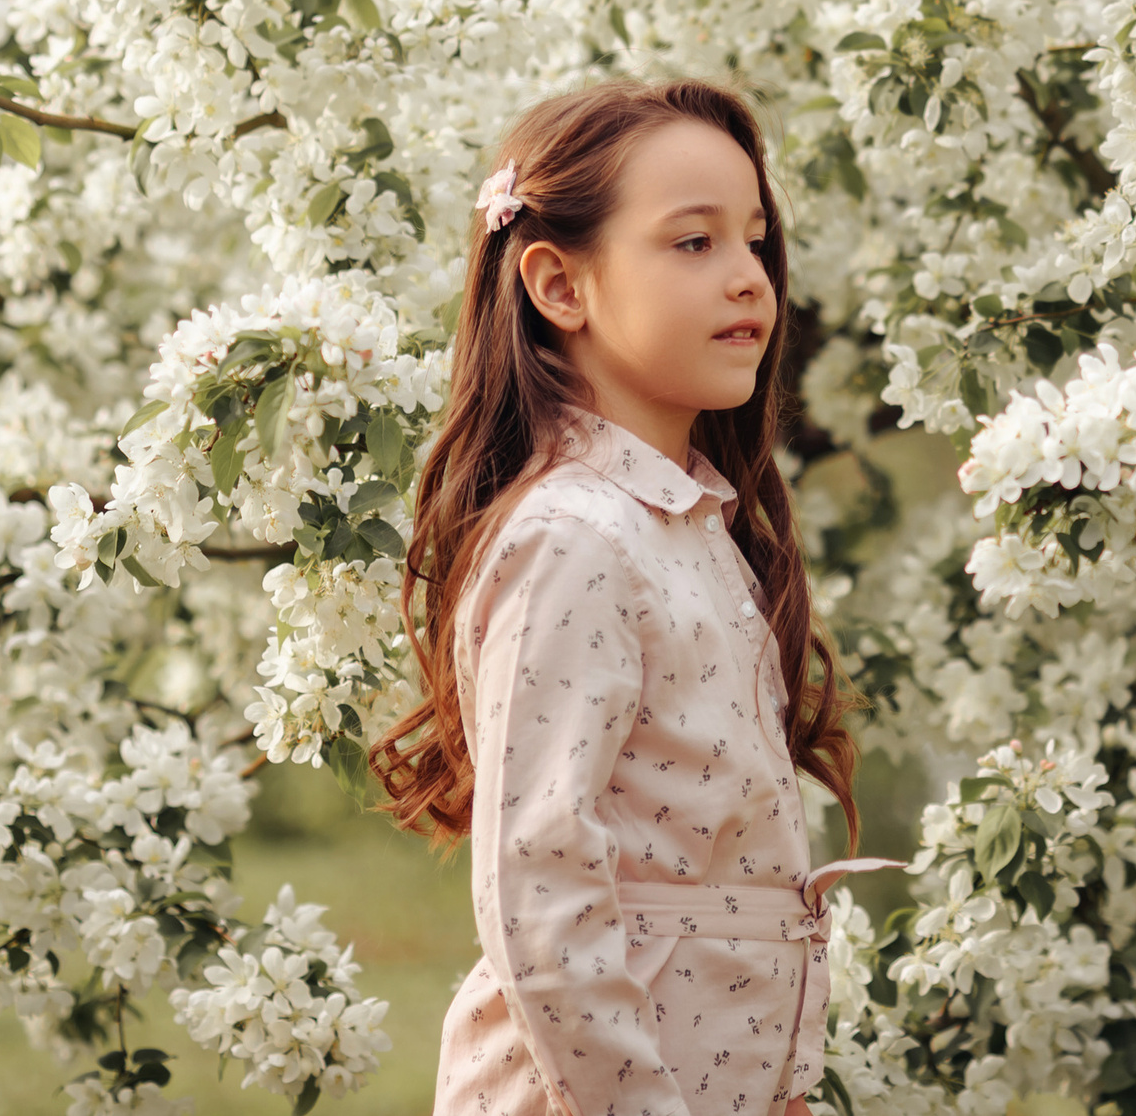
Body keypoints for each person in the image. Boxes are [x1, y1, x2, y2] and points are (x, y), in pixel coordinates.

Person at [369, 78, 897, 1116]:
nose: (750, 278)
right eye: (693, 243)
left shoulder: (689, 528)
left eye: (755, 240)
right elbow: (540, 890)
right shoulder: (572, 539)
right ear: (559, 286)